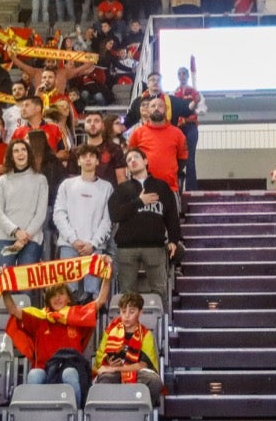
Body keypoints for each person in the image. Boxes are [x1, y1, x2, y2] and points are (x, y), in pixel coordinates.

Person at [4, 279, 107, 405]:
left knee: (69, 373)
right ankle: (34, 416)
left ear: (69, 298)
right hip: (46, 371)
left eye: (61, 294)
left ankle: (76, 413)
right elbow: (13, 310)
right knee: (34, 375)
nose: (57, 298)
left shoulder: (77, 316)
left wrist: (106, 276)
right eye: (53, 295)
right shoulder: (39, 318)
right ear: (48, 300)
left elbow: (100, 300)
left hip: (71, 370)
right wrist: (4, 291)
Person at [108, 148, 182, 306]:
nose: (132, 160)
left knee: (159, 290)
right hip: (126, 248)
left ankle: (160, 325)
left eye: (136, 157)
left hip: (155, 246)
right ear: (127, 168)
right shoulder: (121, 190)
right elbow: (115, 215)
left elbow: (171, 216)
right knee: (127, 294)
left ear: (145, 161)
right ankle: (128, 327)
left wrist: (174, 240)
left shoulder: (162, 187)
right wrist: (139, 202)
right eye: (129, 160)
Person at [54, 146, 114, 302]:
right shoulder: (67, 185)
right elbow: (59, 214)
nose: (88, 159)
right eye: (84, 156)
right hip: (68, 245)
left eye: (92, 156)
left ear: (97, 161)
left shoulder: (106, 187)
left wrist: (93, 244)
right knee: (67, 294)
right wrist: (73, 240)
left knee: (92, 296)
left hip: (95, 248)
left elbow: (107, 220)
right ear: (78, 161)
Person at [93, 291, 164, 406]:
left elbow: (142, 365)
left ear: (140, 313)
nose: (126, 316)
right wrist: (109, 362)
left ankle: (139, 409)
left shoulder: (146, 335)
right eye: (123, 311)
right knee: (105, 380)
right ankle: (114, 410)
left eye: (131, 312)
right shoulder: (110, 332)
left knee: (154, 382)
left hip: (137, 373)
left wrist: (117, 369)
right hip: (113, 372)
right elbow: (100, 360)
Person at [0, 139, 49, 269]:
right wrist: (16, 231)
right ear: (11, 156)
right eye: (16, 151)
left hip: (31, 238)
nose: (20, 154)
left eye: (23, 150)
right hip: (6, 236)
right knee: (3, 281)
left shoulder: (40, 180)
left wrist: (24, 238)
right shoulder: (3, 181)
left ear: (29, 153)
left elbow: (40, 214)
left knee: (26, 284)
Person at [126, 95, 191, 193]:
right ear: (148, 110)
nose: (156, 108)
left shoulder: (177, 133)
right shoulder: (138, 133)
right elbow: (130, 158)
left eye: (160, 106)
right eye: (153, 106)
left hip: (170, 188)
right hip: (143, 189)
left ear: (166, 110)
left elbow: (182, 159)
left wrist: (170, 172)